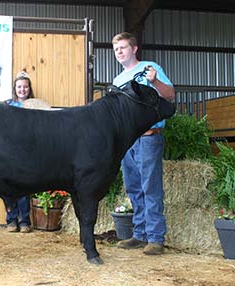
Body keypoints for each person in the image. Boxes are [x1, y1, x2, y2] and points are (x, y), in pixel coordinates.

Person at [111, 32, 175, 255]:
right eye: (116, 49)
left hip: (149, 136)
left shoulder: (150, 68)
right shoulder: (117, 81)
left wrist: (155, 81)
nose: (119, 52)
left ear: (134, 49)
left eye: (123, 47)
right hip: (128, 140)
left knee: (150, 185)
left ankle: (156, 238)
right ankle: (139, 234)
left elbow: (170, 95)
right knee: (133, 187)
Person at [3, 71, 34, 233]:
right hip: (9, 151)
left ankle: (24, 221)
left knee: (24, 187)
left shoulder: (35, 106)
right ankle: (11, 220)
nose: (22, 90)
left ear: (29, 88)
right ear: (15, 89)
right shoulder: (7, 105)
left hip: (27, 151)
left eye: (25, 87)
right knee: (8, 186)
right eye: (19, 87)